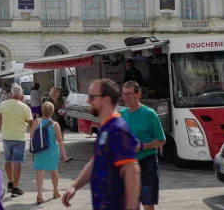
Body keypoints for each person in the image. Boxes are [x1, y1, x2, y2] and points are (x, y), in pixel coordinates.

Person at [62, 79, 140, 210]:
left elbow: (132, 171)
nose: (88, 101)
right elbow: (95, 162)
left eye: (92, 97)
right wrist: (74, 186)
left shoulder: (118, 129)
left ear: (106, 100)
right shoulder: (105, 127)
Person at [119, 81, 166, 210]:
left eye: (129, 94)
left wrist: (143, 146)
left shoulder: (150, 114)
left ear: (138, 94)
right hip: (128, 164)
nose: (126, 97)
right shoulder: (121, 115)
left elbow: (161, 140)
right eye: (124, 94)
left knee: (148, 204)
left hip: (148, 163)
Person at [0, 84, 33, 197]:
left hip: (6, 136)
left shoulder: (3, 104)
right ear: (21, 95)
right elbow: (31, 123)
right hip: (19, 138)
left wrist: (3, 129)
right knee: (17, 163)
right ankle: (15, 188)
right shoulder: (25, 107)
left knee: (8, 160)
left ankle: (11, 182)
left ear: (11, 94)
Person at [31, 102, 66, 204]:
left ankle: (39, 195)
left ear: (42, 111)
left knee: (40, 172)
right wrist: (63, 153)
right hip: (52, 151)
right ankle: (55, 191)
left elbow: (31, 135)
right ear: (52, 112)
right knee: (54, 172)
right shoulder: (55, 124)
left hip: (39, 150)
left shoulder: (37, 122)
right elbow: (59, 140)